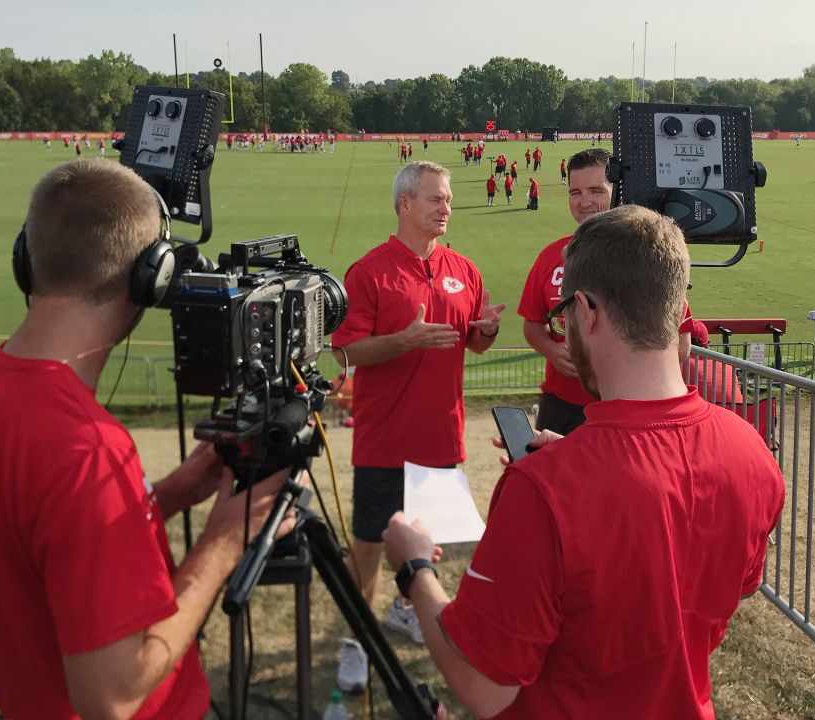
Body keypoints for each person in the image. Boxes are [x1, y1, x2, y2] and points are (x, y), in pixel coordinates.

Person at [382, 204, 786, 720]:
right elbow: (714, 586)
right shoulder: (751, 451)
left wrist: (414, 565)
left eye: (564, 315)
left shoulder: (542, 489)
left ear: (587, 311)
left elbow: (484, 687)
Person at [0, 160, 302, 720]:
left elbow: (47, 532)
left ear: (26, 256)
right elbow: (113, 695)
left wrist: (173, 491)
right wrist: (228, 538)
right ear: (151, 276)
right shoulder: (85, 448)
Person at [329, 160, 505, 691]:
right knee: (368, 547)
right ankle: (356, 642)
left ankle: (408, 609)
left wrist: (488, 330)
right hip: (383, 441)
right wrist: (403, 340)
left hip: (440, 438)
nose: (446, 207)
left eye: (447, 199)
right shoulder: (369, 271)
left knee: (426, 543)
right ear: (405, 204)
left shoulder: (464, 268)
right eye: (435, 199)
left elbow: (474, 340)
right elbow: (344, 352)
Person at [517, 149, 694, 436]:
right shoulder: (550, 256)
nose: (584, 202)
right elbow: (532, 324)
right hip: (563, 406)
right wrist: (551, 350)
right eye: (575, 192)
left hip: (632, 408)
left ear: (618, 192)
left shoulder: (650, 255)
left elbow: (681, 345)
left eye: (596, 191)